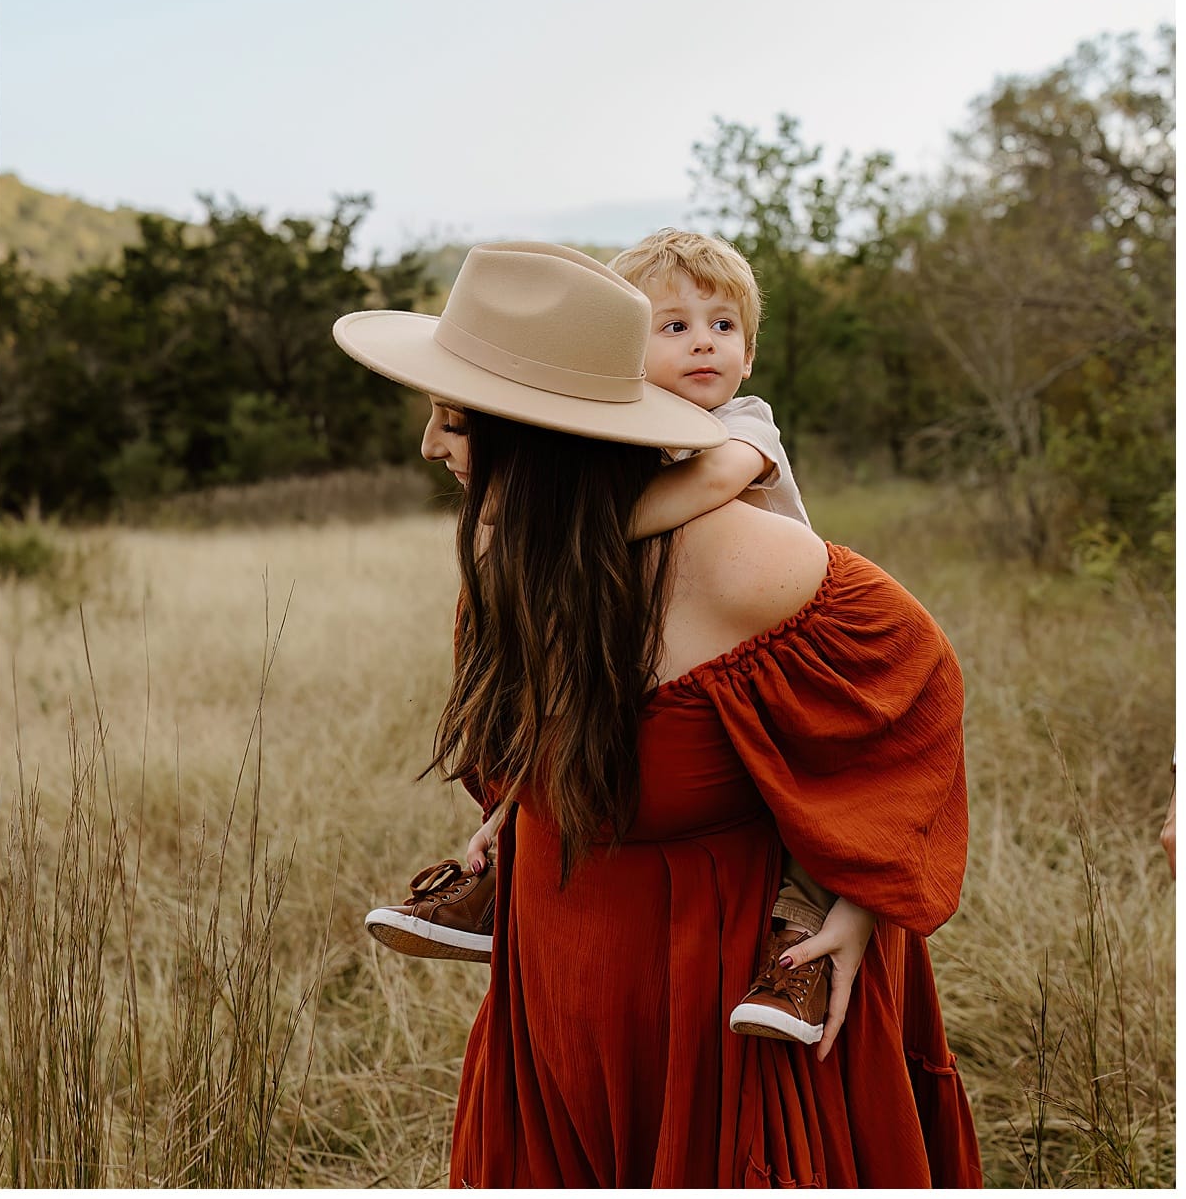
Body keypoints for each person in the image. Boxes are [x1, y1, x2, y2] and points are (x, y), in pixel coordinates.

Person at [335, 241, 982, 1187]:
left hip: (719, 1000)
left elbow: (918, 690)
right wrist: (515, 807)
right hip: (558, 989)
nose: (431, 447)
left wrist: (861, 899)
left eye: (455, 425)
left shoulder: (740, 559)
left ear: (534, 439)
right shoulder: (509, 560)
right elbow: (549, 731)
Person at [370, 227, 832, 1043]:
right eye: (674, 325)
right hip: (582, 925)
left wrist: (576, 532)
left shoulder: (741, 431)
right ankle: (498, 865)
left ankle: (802, 946)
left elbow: (713, 481)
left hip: (783, 706)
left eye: (724, 327)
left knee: (807, 822)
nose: (702, 343)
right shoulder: (626, 455)